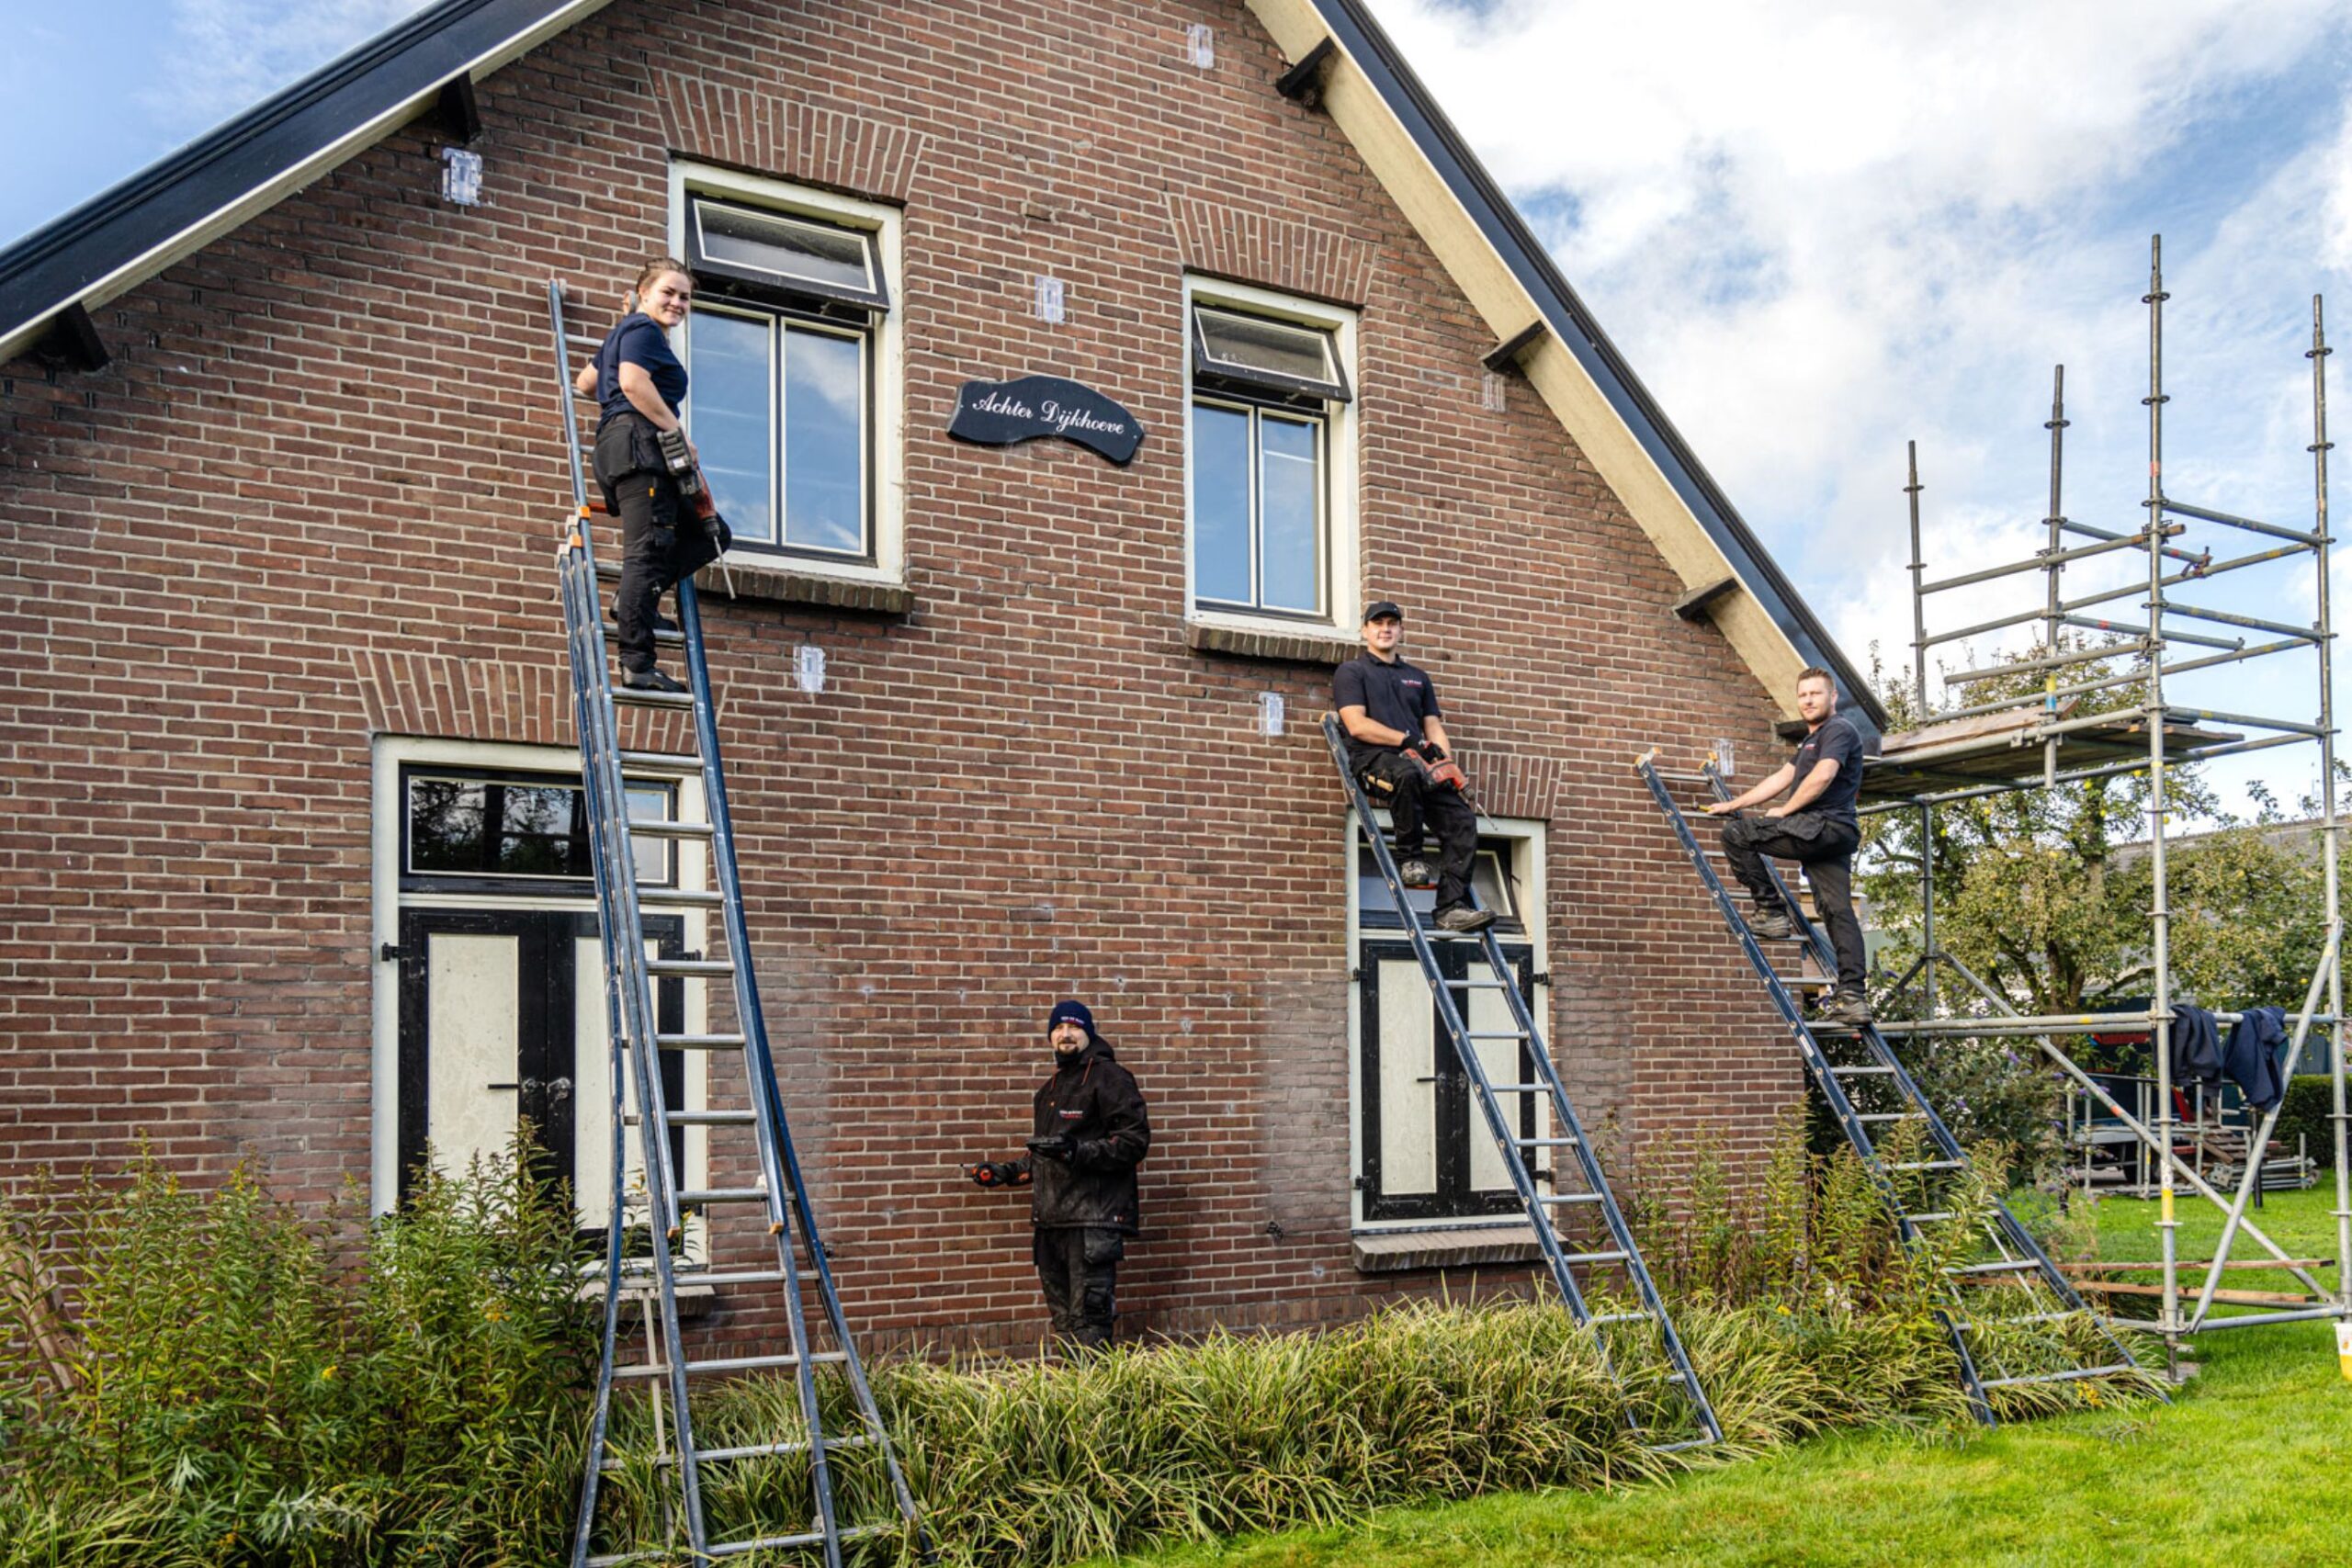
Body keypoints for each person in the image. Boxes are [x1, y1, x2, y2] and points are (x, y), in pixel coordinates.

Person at [571, 258, 725, 693]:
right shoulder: (641, 331)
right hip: (640, 448)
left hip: (623, 450)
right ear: (644, 293)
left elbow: (586, 383)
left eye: (685, 297)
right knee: (646, 550)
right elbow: (634, 384)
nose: (678, 302)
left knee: (712, 533)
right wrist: (678, 432)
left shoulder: (628, 332)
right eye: (668, 293)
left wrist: (615, 344)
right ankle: (637, 663)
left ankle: (637, 598)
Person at [967, 1000, 1151, 1350]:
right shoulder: (1048, 1090)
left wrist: (1076, 1151)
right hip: (1051, 1223)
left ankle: (1100, 1402)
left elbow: (1133, 1142)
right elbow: (1044, 1155)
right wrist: (1003, 1172)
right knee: (1065, 1327)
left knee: (1090, 1328)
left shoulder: (1110, 1078)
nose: (1065, 1035)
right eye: (1058, 1029)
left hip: (1092, 1223)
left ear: (1088, 1032)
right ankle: (1076, 1399)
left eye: (1074, 1028)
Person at [1705, 667, 1871, 1026]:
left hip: (1820, 826)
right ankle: (1853, 997)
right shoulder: (1810, 742)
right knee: (1837, 912)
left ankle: (1771, 913)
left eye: (1816, 693)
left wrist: (1785, 810)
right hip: (1830, 836)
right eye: (1803, 695)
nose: (1808, 700)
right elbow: (1781, 778)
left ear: (1833, 697)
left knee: (1737, 836)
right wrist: (1733, 805)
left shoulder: (1839, 730)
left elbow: (1824, 775)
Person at [1333, 601, 1492, 933]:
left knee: (1462, 819)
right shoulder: (1352, 672)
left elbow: (1432, 727)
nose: (1385, 629)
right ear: (1365, 631)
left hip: (1418, 763)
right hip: (1372, 760)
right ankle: (1410, 860)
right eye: (1378, 624)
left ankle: (1450, 908)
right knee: (1404, 775)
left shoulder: (1417, 678)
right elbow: (1357, 725)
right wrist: (1406, 741)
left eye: (1392, 623)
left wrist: (1445, 766)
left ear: (1401, 630)